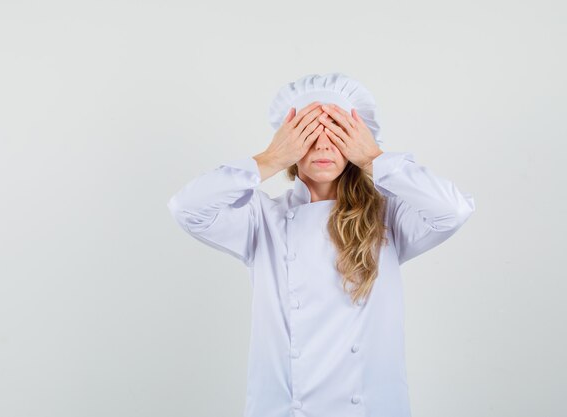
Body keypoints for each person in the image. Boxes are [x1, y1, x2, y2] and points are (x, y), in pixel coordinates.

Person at [167, 73, 475, 417]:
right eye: (309, 132)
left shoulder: (389, 216)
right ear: (289, 142)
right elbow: (187, 208)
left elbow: (453, 210)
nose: (324, 144)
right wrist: (270, 158)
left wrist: (374, 158)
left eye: (337, 131)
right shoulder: (261, 220)